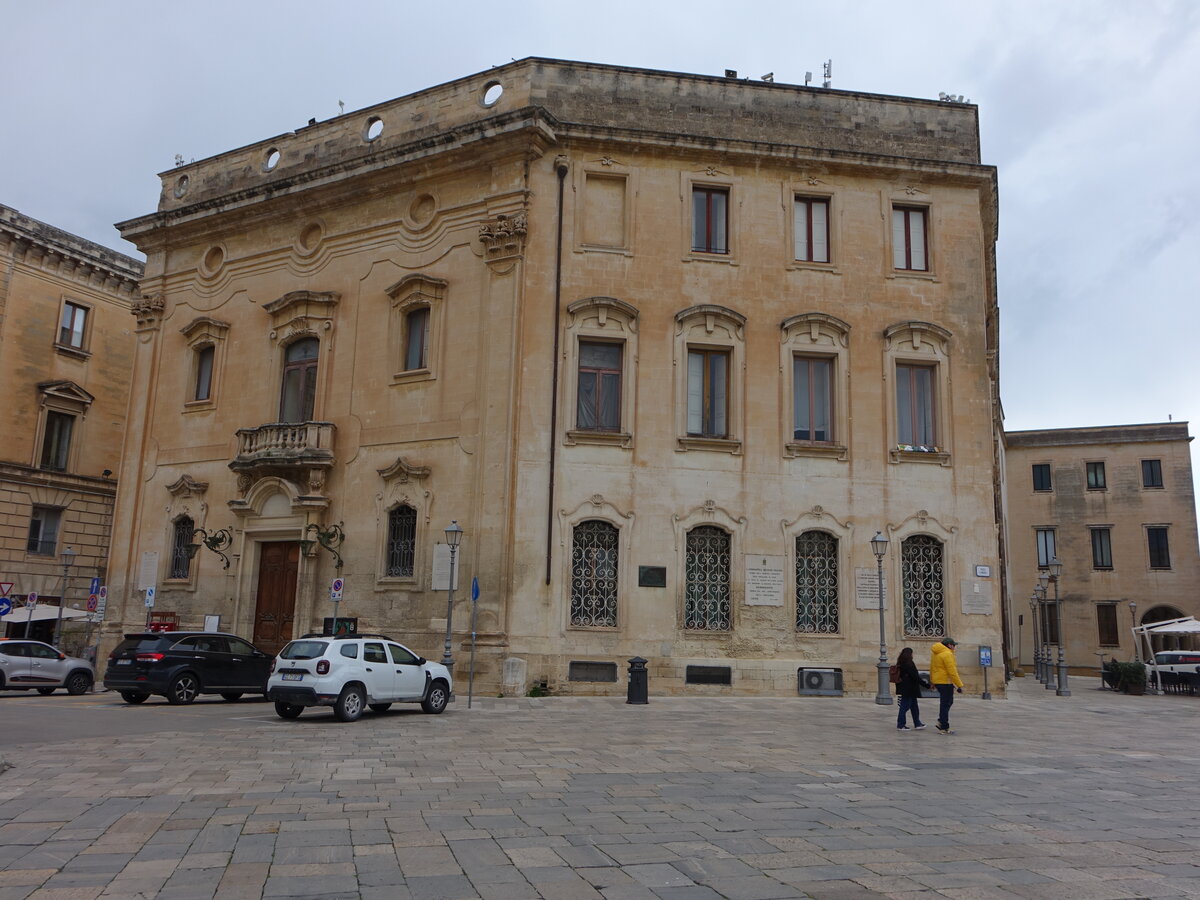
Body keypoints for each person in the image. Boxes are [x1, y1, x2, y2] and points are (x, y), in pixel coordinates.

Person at [929, 638, 964, 734]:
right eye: (954, 645)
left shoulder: (936, 653)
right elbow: (952, 671)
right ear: (949, 645)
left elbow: (932, 668)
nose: (955, 647)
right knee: (946, 703)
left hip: (939, 682)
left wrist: (932, 681)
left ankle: (942, 721)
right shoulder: (947, 654)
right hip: (945, 682)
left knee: (947, 702)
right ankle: (943, 726)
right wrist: (959, 685)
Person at [894, 647, 929, 730]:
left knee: (914, 706)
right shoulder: (909, 664)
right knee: (904, 706)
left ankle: (917, 723)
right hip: (909, 689)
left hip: (906, 688)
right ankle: (901, 724)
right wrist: (926, 685)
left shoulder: (901, 663)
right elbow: (915, 677)